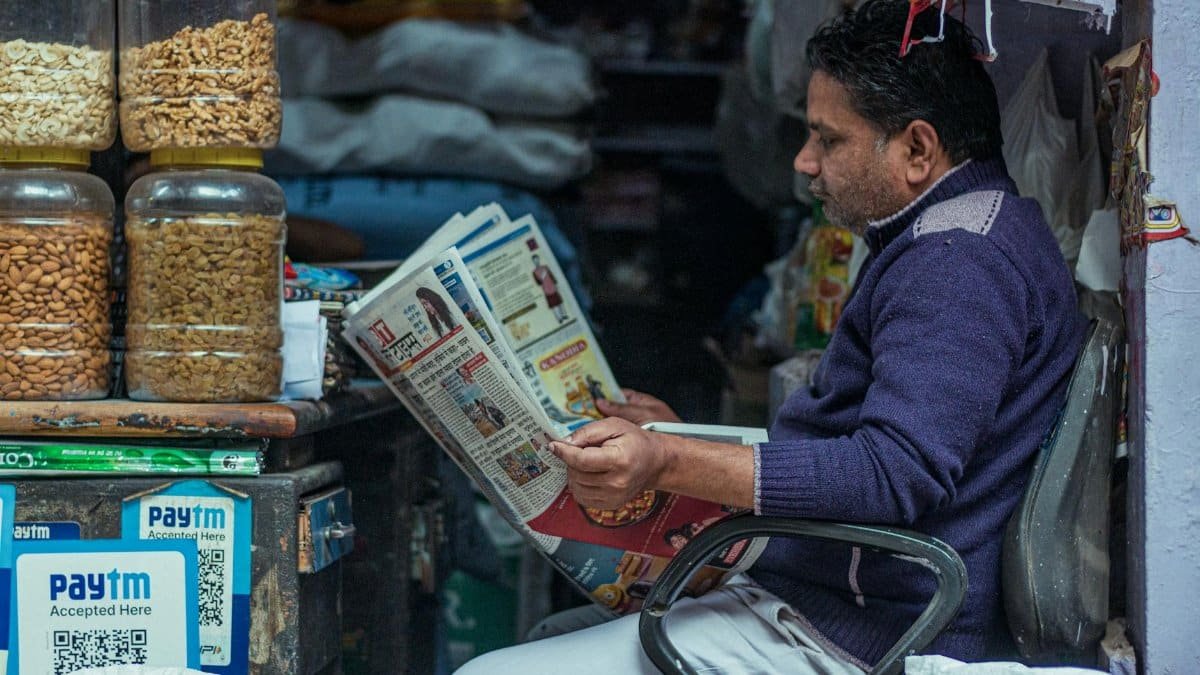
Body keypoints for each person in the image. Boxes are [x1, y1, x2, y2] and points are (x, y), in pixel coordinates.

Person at [457, 2, 1085, 673]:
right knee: (550, 632)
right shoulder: (972, 228)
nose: (805, 162)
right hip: (827, 594)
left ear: (917, 149)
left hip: (851, 628)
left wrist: (667, 461)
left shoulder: (956, 264)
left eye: (828, 139)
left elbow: (891, 473)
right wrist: (682, 443)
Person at [532, 254, 567, 323]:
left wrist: (556, 284)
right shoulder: (534, 272)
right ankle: (559, 318)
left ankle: (564, 315)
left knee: (559, 302)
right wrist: (542, 277)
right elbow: (538, 283)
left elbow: (552, 276)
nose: (536, 261)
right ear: (533, 262)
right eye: (534, 260)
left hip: (553, 286)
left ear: (539, 259)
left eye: (537, 259)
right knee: (553, 305)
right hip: (546, 290)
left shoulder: (545, 267)